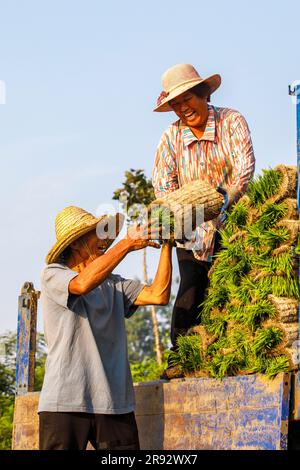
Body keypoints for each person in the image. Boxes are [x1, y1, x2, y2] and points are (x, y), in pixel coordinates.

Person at [38, 205, 172, 450]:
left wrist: (168, 245)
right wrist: (127, 244)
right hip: (64, 402)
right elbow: (80, 285)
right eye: (97, 235)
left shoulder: (114, 285)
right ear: (77, 243)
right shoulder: (53, 275)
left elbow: (159, 295)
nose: (105, 241)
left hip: (113, 403)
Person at [152, 63, 255, 352]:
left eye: (188, 99)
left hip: (234, 225)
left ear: (205, 95)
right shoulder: (170, 139)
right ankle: (182, 355)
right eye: (176, 103)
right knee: (190, 294)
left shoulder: (231, 121)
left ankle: (235, 350)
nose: (183, 108)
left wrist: (225, 199)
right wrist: (182, 214)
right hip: (193, 233)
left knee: (235, 291)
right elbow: (163, 185)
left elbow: (244, 168)